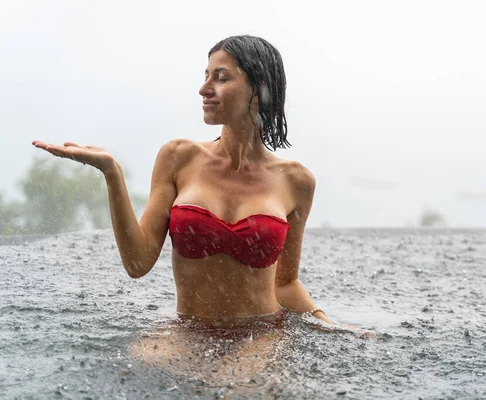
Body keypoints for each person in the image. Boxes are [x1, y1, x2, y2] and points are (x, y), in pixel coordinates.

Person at [32, 35, 330, 327]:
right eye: (206, 76)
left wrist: (332, 326)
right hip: (187, 330)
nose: (204, 89)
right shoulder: (179, 158)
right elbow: (138, 263)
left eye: (221, 78)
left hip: (261, 335)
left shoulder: (296, 181)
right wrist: (112, 173)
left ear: (259, 88)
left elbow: (287, 284)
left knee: (240, 378)